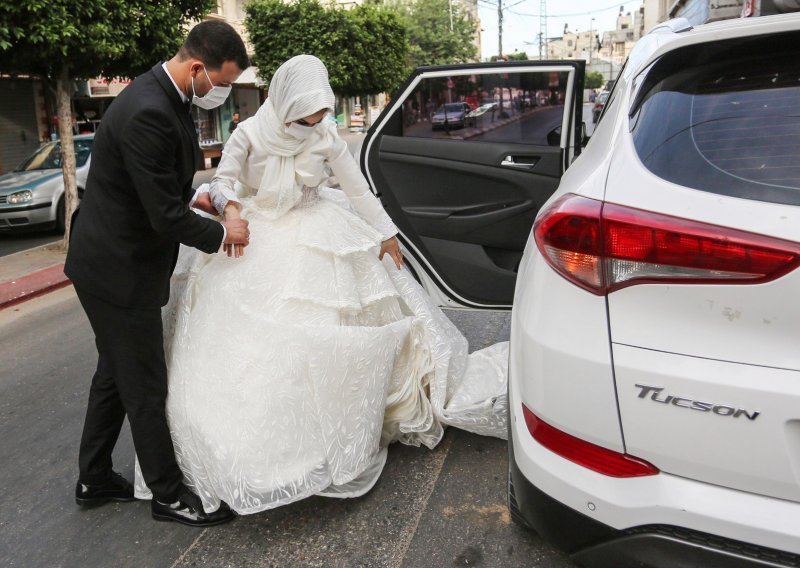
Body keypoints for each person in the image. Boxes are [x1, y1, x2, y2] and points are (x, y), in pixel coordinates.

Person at [133, 55, 508, 515]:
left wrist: (388, 233)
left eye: (318, 117)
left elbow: (356, 190)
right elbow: (223, 183)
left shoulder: (327, 135)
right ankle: (278, 451)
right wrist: (230, 209)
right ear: (285, 103)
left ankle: (344, 432)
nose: (312, 125)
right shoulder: (248, 133)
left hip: (321, 232)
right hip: (256, 241)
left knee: (337, 333)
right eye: (304, 118)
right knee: (266, 351)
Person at [64, 20, 251, 527]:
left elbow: (160, 188)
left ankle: (94, 477)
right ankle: (168, 495)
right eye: (222, 82)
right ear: (197, 68)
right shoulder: (148, 109)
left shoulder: (166, 97)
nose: (223, 92)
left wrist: (201, 198)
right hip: (117, 269)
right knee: (144, 382)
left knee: (114, 373)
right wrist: (222, 235)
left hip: (111, 257)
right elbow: (163, 216)